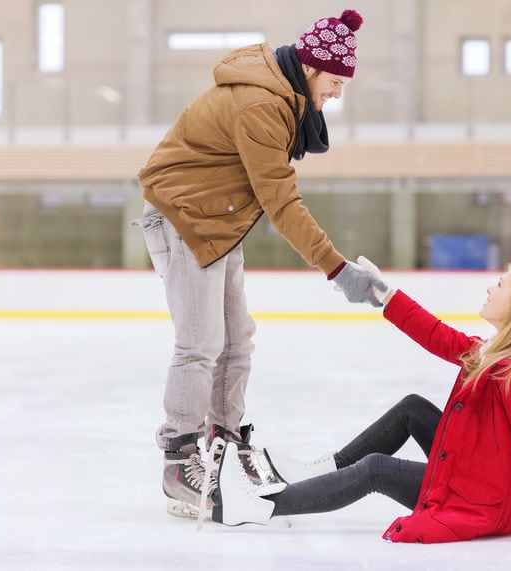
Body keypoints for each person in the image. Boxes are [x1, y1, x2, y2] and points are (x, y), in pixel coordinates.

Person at [132, 9, 384, 519]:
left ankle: (222, 446)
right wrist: (339, 272)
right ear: (311, 69)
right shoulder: (261, 106)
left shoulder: (282, 97)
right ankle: (180, 462)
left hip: (217, 216)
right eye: (334, 82)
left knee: (237, 338)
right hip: (182, 214)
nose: (336, 95)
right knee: (200, 341)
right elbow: (283, 204)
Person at [205, 258, 511, 547]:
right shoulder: (493, 355)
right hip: (488, 479)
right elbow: (439, 336)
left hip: (489, 502)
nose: (490, 286)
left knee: (376, 469)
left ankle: (263, 507)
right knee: (414, 408)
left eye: (501, 284)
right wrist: (388, 296)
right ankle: (322, 468)